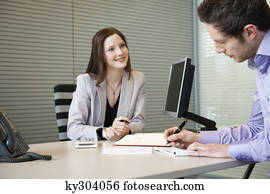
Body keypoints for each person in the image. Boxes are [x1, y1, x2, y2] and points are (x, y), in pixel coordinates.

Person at [164, 0, 270, 175]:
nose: (217, 50)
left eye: (221, 41)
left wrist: (225, 150)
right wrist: (198, 138)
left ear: (250, 31)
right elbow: (256, 129)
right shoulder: (261, 64)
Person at [67, 27, 145, 142]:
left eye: (122, 45)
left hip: (122, 152)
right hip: (92, 153)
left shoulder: (138, 79)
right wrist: (104, 132)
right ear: (101, 56)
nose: (120, 52)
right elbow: (73, 129)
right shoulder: (85, 82)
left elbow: (139, 122)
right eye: (111, 49)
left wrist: (127, 129)